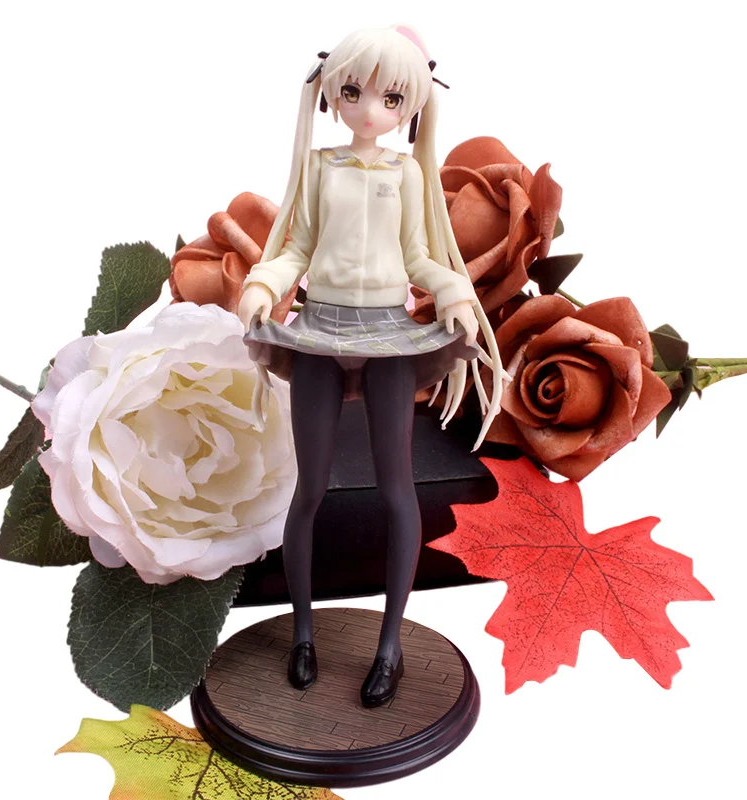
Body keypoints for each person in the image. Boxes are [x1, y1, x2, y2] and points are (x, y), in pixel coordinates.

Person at [237, 25, 506, 708]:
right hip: (320, 329)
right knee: (310, 489)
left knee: (396, 489)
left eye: (390, 99)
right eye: (353, 92)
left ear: (410, 105)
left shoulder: (407, 173)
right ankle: (302, 633)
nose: (368, 110)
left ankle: (390, 646)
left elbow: (418, 255)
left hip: (390, 332)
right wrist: (265, 285)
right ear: (332, 91)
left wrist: (451, 292)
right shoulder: (319, 166)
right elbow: (297, 247)